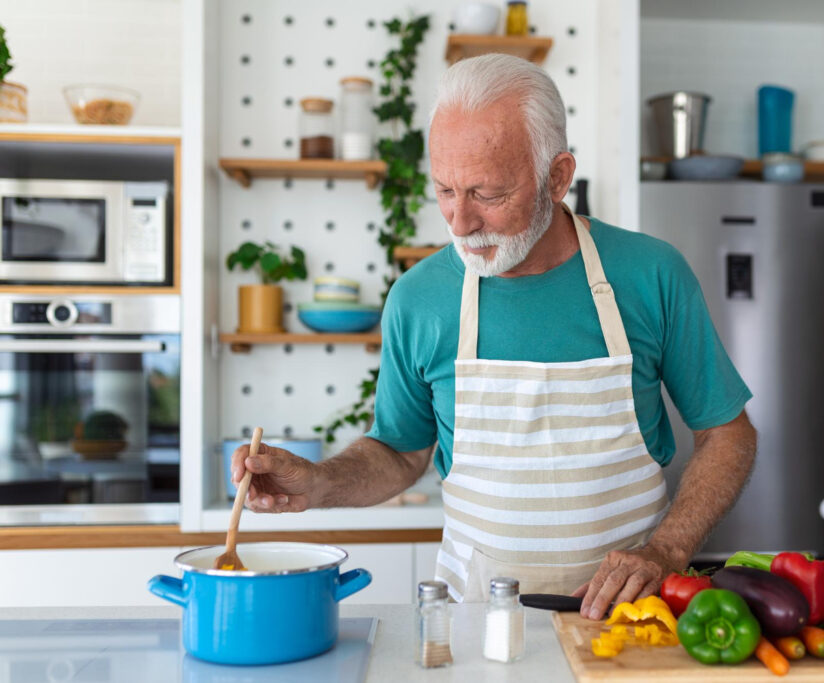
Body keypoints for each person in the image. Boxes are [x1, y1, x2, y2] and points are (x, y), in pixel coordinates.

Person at [231, 54, 757, 620]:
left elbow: (728, 434)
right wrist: (317, 483)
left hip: (631, 624)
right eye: (445, 190)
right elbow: (399, 453)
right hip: (474, 625)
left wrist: (666, 551)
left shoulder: (651, 274)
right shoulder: (419, 298)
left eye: (487, 194)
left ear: (557, 178)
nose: (459, 222)